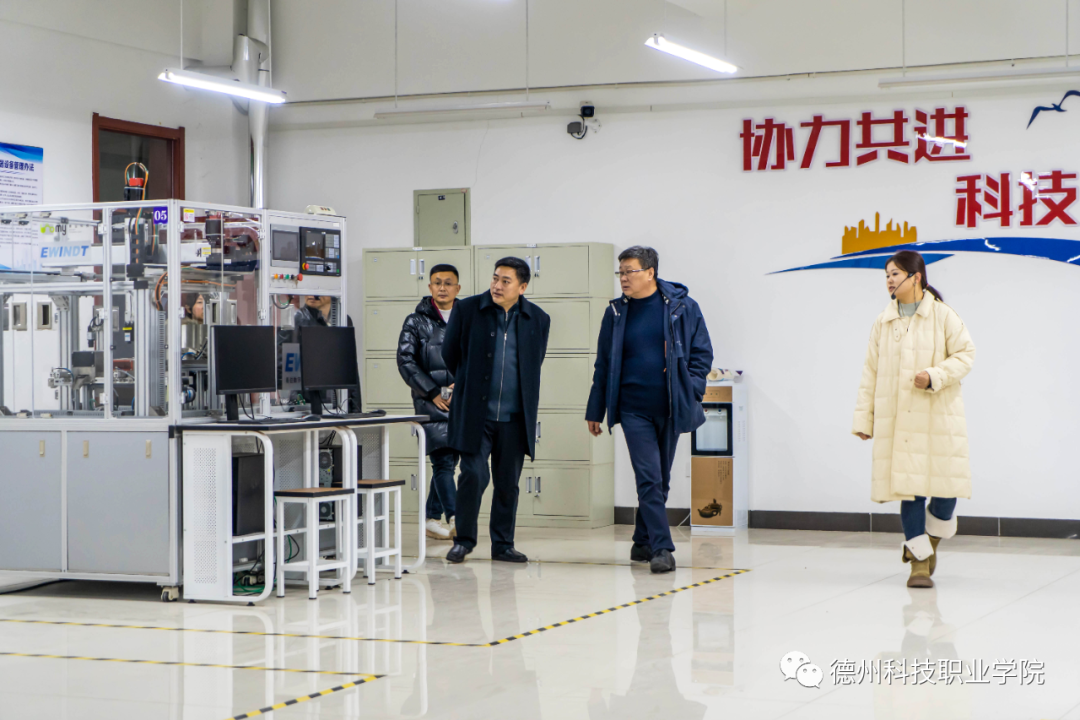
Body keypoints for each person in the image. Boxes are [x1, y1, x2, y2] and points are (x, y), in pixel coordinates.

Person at [585, 246, 713, 574]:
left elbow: (702, 353)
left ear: (650, 272)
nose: (623, 279)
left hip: (670, 406)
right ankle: (662, 548)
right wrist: (595, 408)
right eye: (620, 272)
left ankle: (641, 540)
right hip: (632, 408)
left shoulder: (682, 307)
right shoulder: (616, 313)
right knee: (649, 477)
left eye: (630, 271)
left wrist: (691, 388)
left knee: (661, 480)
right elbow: (603, 363)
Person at [853, 250, 976, 589]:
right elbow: (870, 372)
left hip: (938, 417)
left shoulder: (943, 315)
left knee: (946, 490)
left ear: (916, 277)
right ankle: (919, 564)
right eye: (887, 275)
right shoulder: (883, 322)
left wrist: (935, 375)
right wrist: (864, 419)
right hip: (899, 420)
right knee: (910, 491)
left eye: (895, 274)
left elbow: (966, 354)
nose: (889, 281)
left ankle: (930, 541)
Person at [441, 257, 550, 564]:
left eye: (505, 281)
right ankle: (463, 541)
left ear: (522, 287)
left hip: (515, 417)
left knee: (507, 484)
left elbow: (535, 362)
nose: (497, 285)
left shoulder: (538, 319)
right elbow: (450, 354)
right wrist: (470, 382)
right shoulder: (467, 310)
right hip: (476, 414)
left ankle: (503, 544)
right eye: (495, 278)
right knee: (473, 475)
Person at [396, 264, 462, 542]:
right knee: (443, 461)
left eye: (448, 283)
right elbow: (406, 361)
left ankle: (431, 519)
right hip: (431, 402)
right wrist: (433, 391)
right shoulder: (415, 321)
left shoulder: (466, 317)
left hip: (461, 400)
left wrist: (463, 385)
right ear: (430, 287)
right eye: (437, 282)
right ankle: (457, 517)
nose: (442, 287)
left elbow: (479, 356)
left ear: (458, 288)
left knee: (450, 461)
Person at [293, 295, 359, 413]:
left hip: (339, 402)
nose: (312, 296)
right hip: (310, 401)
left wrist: (356, 408)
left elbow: (351, 365)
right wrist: (294, 397)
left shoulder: (342, 319)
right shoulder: (301, 318)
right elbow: (292, 361)